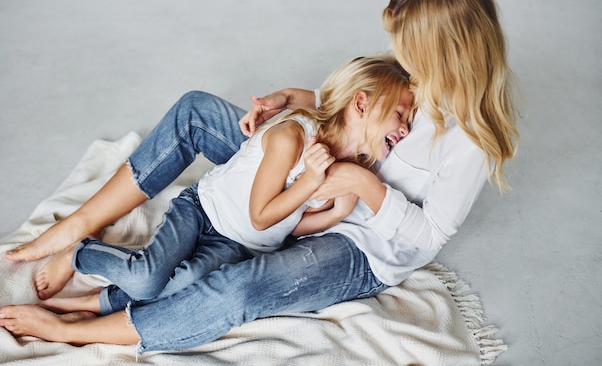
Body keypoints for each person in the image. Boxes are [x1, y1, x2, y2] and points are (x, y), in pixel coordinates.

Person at [0, 0, 518, 352]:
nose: (396, 53)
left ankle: (75, 328)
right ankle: (84, 223)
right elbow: (361, 96)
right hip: (315, 166)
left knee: (238, 287)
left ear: (442, 52)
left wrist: (357, 184)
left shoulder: (471, 142)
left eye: (405, 47)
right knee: (198, 111)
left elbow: (427, 237)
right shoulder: (415, 79)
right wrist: (293, 100)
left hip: (354, 238)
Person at [33, 55, 413, 315]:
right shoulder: (294, 139)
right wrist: (311, 182)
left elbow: (289, 226)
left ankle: (99, 302)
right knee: (147, 279)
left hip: (241, 245)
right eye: (400, 114)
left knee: (188, 283)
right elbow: (261, 215)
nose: (406, 128)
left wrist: (339, 211)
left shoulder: (345, 170)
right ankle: (80, 252)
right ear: (361, 105)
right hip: (205, 211)